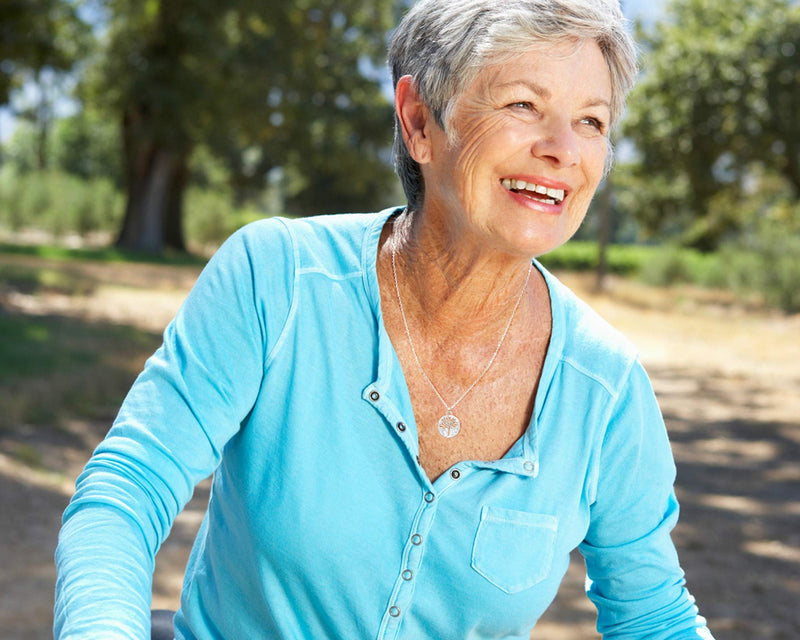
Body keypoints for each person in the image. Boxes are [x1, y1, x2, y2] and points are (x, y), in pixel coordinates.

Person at [54, 1, 715, 638]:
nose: (563, 149)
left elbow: (654, 618)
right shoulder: (278, 279)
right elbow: (127, 492)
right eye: (524, 105)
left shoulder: (606, 389)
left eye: (592, 122)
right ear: (420, 123)